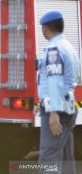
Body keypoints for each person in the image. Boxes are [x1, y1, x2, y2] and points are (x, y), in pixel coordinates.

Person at [36, 10, 79, 173]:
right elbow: (70, 78)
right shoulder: (69, 47)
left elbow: (55, 80)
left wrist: (53, 111)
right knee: (67, 157)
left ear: (45, 28)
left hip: (57, 110)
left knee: (48, 159)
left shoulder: (54, 49)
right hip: (68, 106)